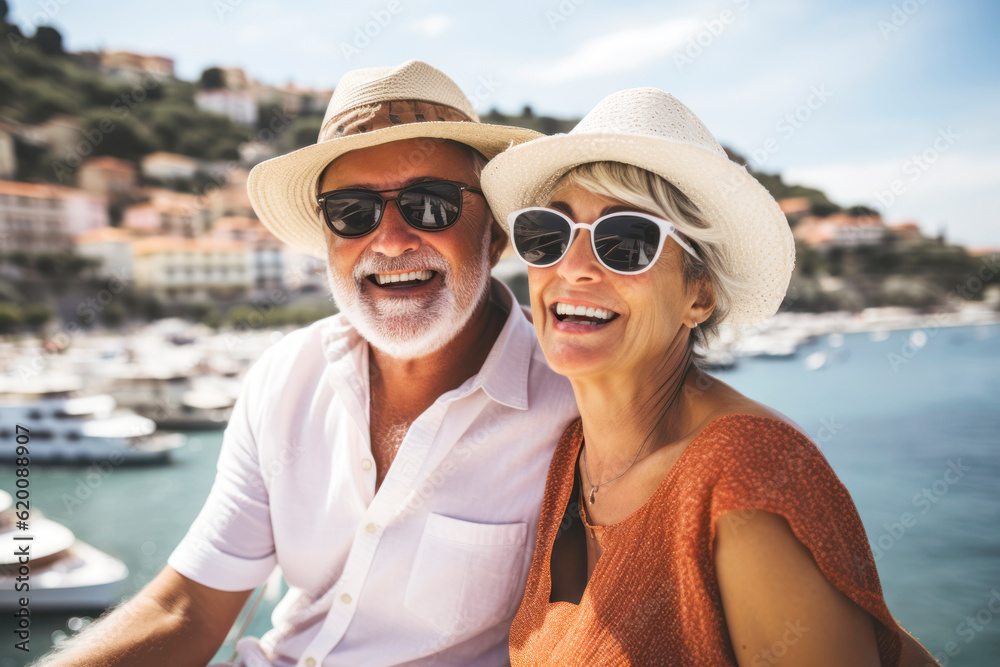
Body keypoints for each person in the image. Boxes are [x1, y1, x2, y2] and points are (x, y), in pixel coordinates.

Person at [34, 61, 577, 667]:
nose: (392, 240)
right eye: (352, 212)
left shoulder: (576, 403)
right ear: (328, 240)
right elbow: (188, 609)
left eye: (431, 204)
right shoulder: (284, 376)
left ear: (496, 236)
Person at [480, 87, 939, 666]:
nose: (572, 268)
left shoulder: (745, 478)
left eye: (625, 243)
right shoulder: (570, 457)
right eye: (548, 235)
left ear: (700, 295)